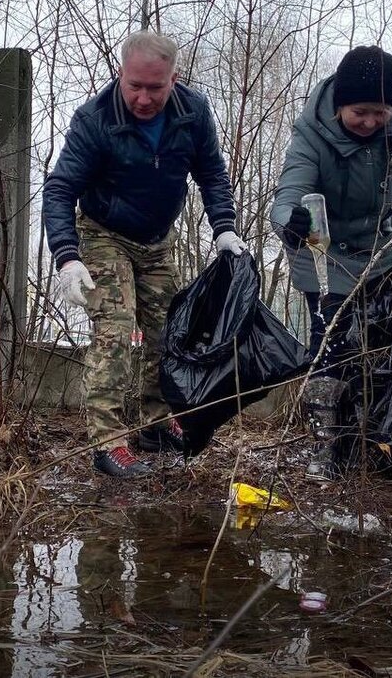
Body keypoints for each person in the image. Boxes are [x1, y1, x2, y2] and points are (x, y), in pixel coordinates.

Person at [42, 30, 246, 479]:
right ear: (121, 74)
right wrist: (67, 256)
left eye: (155, 87)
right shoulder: (95, 119)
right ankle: (107, 441)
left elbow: (212, 174)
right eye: (134, 85)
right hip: (101, 235)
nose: (143, 97)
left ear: (175, 79)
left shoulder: (192, 113)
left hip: (156, 241)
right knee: (115, 329)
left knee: (169, 330)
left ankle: (154, 423)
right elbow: (60, 189)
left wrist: (225, 230)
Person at [270, 45, 392, 480]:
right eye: (360, 111)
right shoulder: (311, 133)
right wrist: (292, 222)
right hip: (320, 253)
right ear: (341, 105)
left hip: (377, 253)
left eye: (380, 112)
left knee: (380, 349)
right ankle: (326, 448)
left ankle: (373, 441)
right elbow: (289, 191)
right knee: (333, 349)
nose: (370, 122)